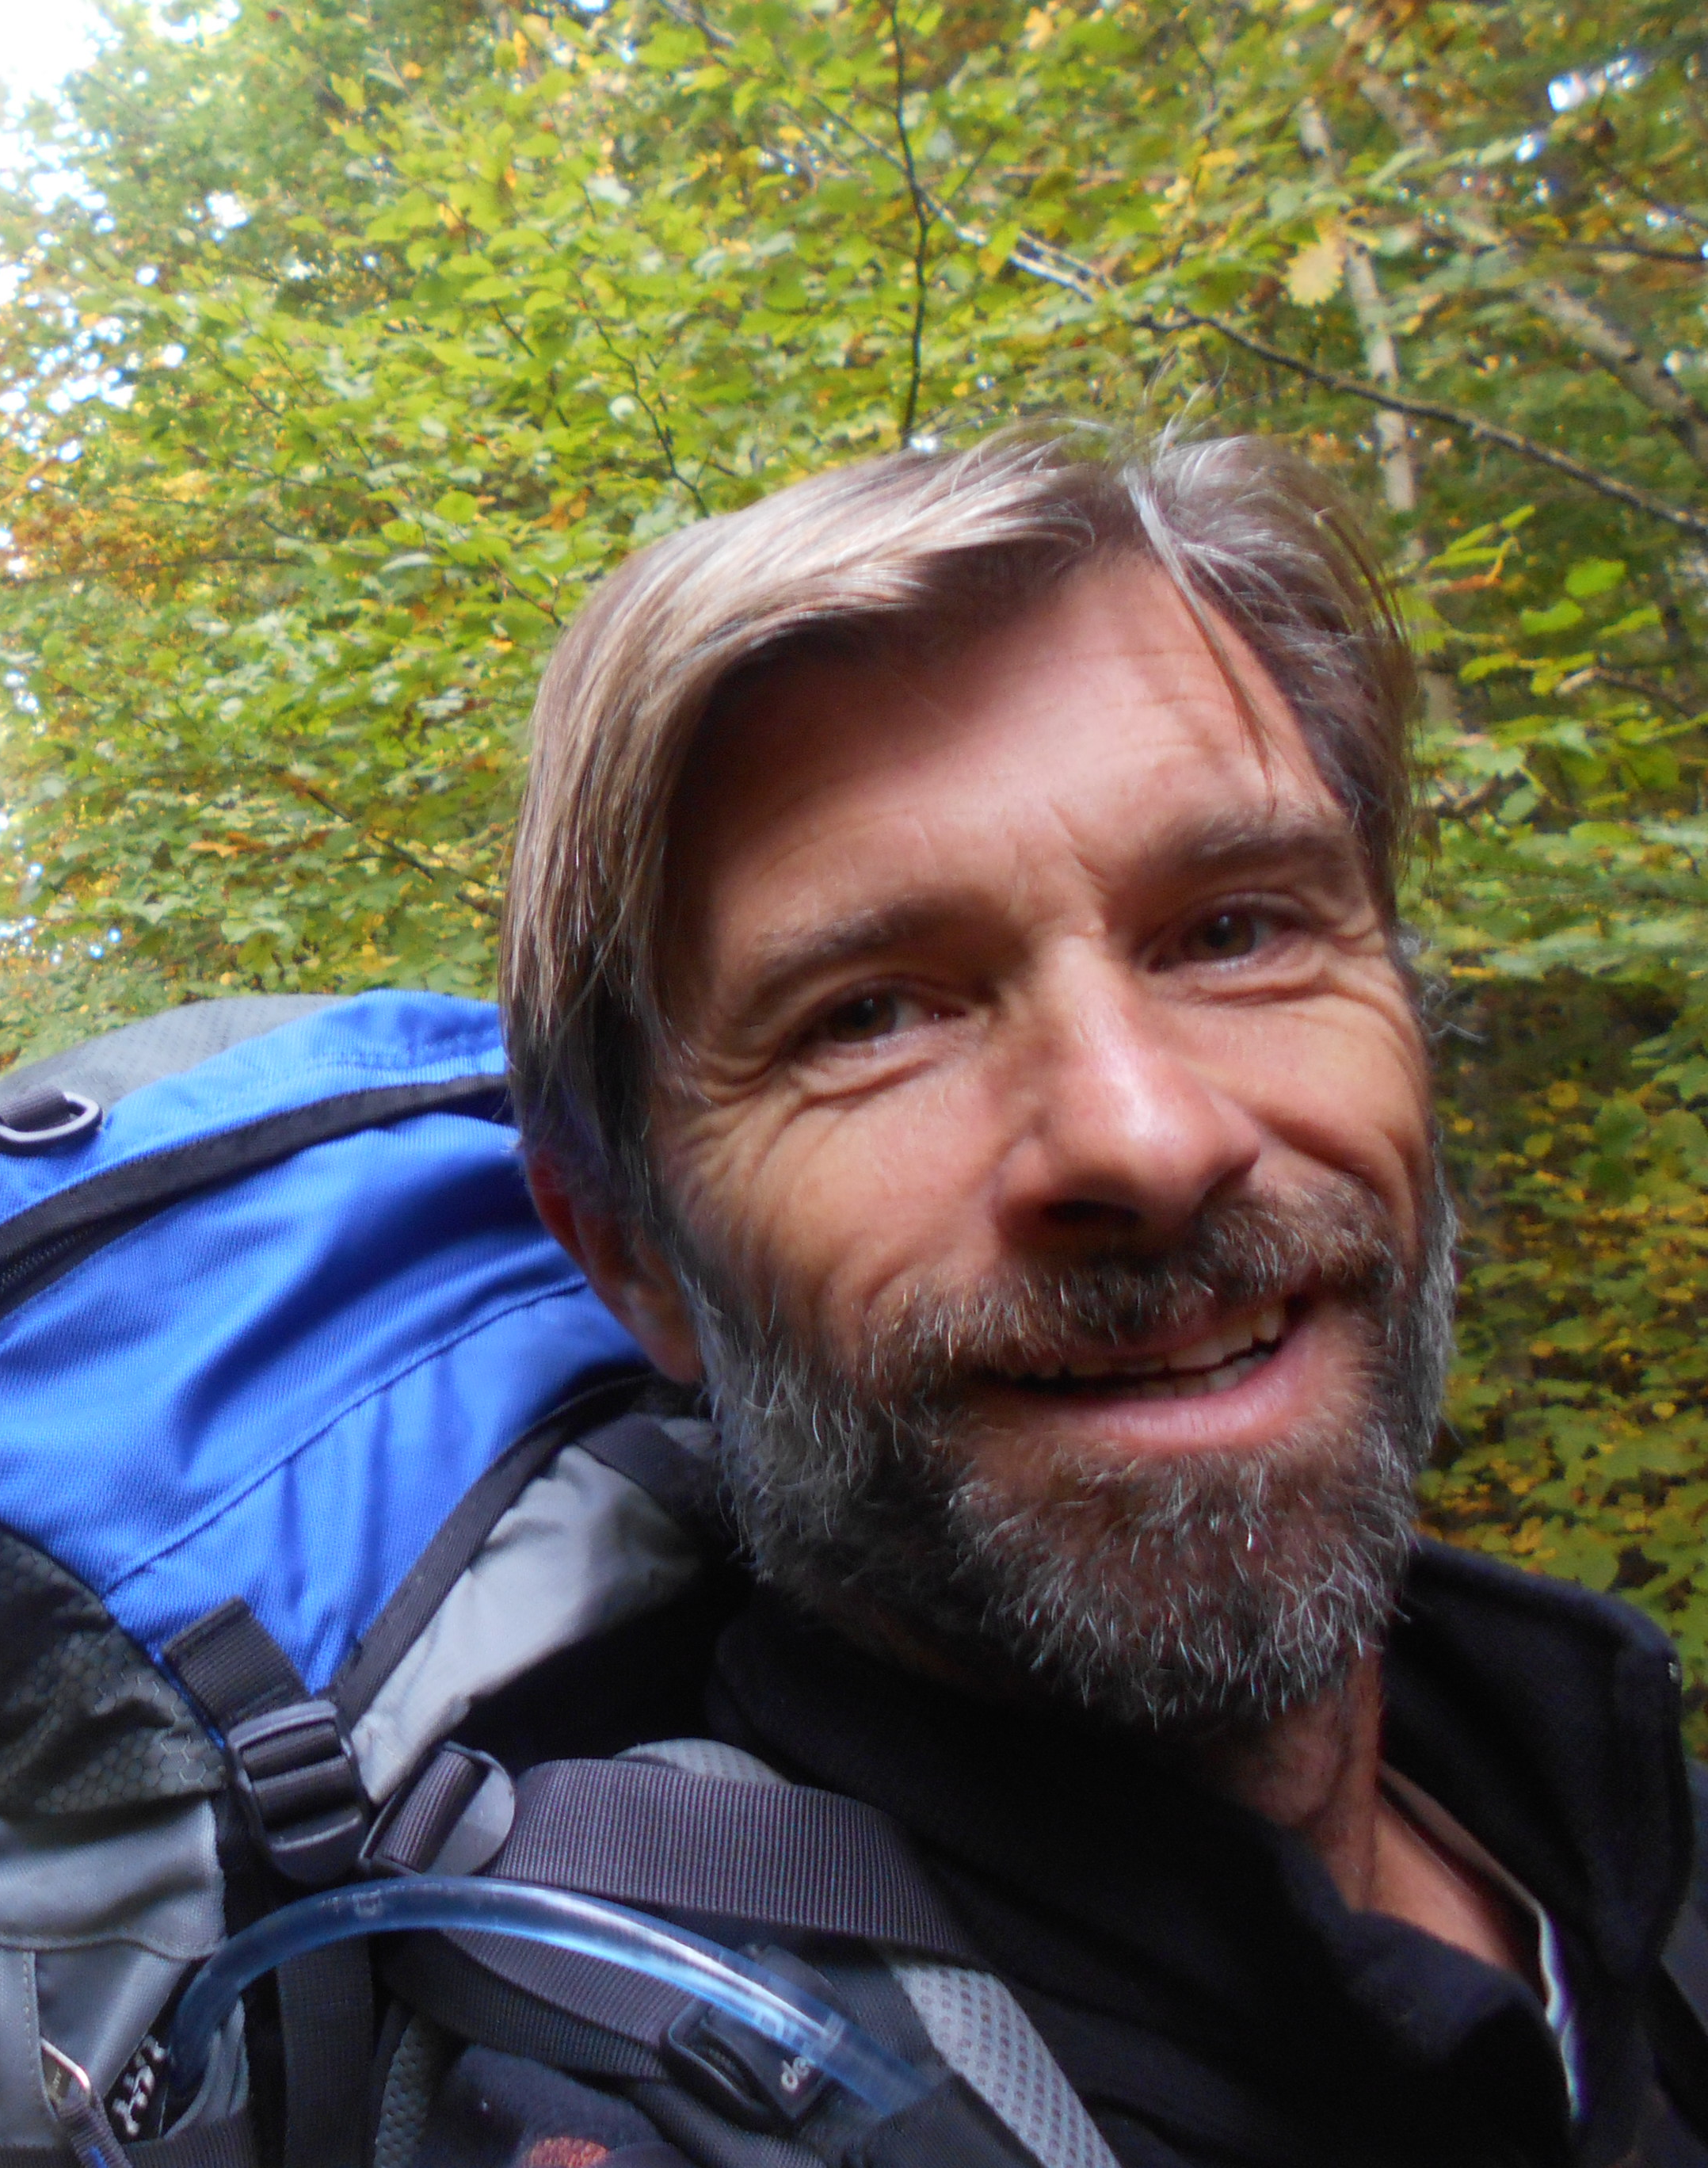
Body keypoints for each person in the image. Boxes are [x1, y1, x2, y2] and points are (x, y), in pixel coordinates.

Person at [498, 426, 1707, 2165]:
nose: (1142, 1137)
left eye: (1235, 931)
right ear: (632, 1256)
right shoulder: (631, 2098)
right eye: (869, 1017)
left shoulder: (1597, 1814)